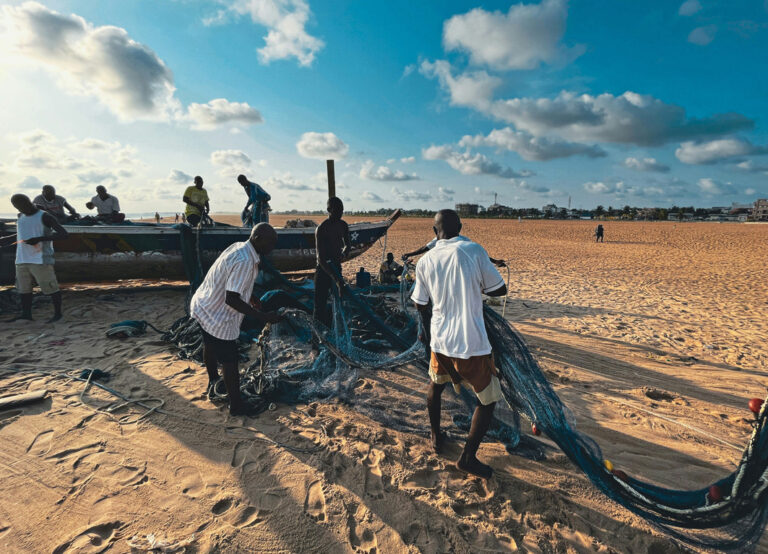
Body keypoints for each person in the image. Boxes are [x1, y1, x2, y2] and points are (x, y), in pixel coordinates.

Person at [411, 209, 507, 480]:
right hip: (471, 341)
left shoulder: (425, 261)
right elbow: (499, 289)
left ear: (434, 232)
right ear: (461, 227)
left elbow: (419, 302)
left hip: (440, 340)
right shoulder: (473, 250)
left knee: (435, 386)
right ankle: (467, 457)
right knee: (488, 400)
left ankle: (435, 435)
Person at [190, 223, 282, 416]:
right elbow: (231, 298)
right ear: (258, 239)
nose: (272, 248)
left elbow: (233, 284)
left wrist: (250, 297)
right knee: (229, 359)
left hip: (203, 304)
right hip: (216, 313)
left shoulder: (239, 247)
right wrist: (263, 316)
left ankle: (213, 381)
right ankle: (236, 405)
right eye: (270, 243)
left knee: (210, 343)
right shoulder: (246, 261)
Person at [8, 194, 69, 322]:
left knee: (51, 288)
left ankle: (58, 314)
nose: (19, 209)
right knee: (24, 289)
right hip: (21, 259)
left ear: (28, 202)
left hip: (40, 259)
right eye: (16, 206)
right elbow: (21, 234)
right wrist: (5, 240)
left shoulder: (45, 216)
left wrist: (39, 239)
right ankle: (26, 314)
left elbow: (63, 234)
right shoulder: (20, 216)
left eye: (20, 205)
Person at [314, 197, 351, 327]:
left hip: (337, 267)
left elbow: (348, 244)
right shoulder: (322, 228)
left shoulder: (343, 225)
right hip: (324, 270)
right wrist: (335, 278)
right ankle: (317, 336)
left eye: (342, 210)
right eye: (337, 210)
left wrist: (345, 251)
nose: (340, 213)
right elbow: (320, 258)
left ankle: (334, 329)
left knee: (338, 300)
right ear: (329, 210)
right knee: (320, 305)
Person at [403, 235, 506, 268]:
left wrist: (409, 254)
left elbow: (424, 248)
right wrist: (495, 261)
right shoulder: (465, 239)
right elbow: (479, 254)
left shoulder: (440, 238)